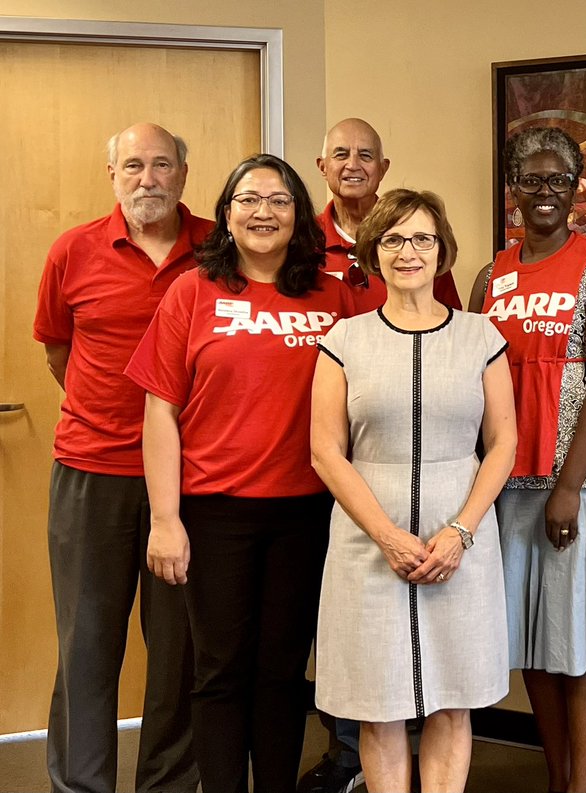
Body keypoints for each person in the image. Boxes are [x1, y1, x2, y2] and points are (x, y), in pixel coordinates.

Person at [125, 153, 355, 793]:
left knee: (282, 673)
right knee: (220, 671)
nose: (263, 212)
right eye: (248, 199)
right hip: (213, 511)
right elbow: (160, 411)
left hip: (307, 512)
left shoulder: (332, 295)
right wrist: (166, 519)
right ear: (226, 214)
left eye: (279, 200)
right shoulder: (192, 291)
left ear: (299, 215)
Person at [471, 126, 586, 793]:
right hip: (511, 482)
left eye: (558, 180)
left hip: (583, 483)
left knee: (584, 641)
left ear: (575, 188)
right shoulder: (491, 275)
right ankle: (556, 779)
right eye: (532, 180)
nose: (545, 192)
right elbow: (472, 373)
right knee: (534, 641)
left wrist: (569, 487)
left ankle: (581, 787)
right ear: (513, 188)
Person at [310, 188, 516, 793]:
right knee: (379, 704)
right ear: (374, 252)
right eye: (394, 239)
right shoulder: (344, 341)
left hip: (461, 539)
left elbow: (503, 442)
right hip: (368, 543)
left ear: (441, 251)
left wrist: (461, 532)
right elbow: (326, 450)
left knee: (453, 699)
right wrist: (387, 537)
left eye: (422, 239)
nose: (409, 252)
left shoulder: (481, 337)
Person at [33, 122, 207, 793]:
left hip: (191, 480)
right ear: (112, 174)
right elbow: (58, 351)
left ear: (183, 174)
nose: (148, 179)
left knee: (179, 652)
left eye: (162, 165)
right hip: (90, 474)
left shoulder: (217, 250)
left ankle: (169, 784)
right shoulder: (72, 251)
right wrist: (107, 415)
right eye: (133, 165)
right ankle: (81, 785)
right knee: (86, 645)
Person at [316, 117, 460, 313]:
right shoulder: (303, 239)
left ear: (383, 168)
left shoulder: (419, 235)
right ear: (323, 167)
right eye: (341, 155)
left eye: (365, 156)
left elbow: (448, 318)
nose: (353, 165)